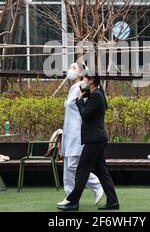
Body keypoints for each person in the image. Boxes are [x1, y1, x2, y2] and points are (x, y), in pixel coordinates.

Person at [57, 73, 119, 211]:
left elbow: (85, 115)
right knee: (102, 171)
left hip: (94, 140)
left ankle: (73, 202)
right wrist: (82, 95)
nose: (83, 82)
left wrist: (79, 100)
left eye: (85, 79)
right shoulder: (95, 94)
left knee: (81, 171)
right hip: (97, 139)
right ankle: (113, 201)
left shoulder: (96, 95)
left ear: (91, 81)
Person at [57, 63, 104, 207]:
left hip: (77, 132)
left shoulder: (82, 88)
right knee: (68, 165)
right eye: (70, 67)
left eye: (75, 68)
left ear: (81, 73)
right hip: (69, 132)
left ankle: (96, 186)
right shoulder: (72, 88)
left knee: (74, 165)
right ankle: (70, 197)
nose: (71, 70)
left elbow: (86, 109)